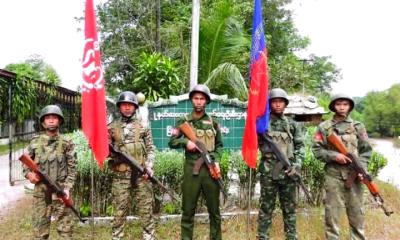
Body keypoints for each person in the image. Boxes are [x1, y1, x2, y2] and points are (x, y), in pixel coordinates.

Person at [313, 94, 372, 240]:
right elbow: (317, 150)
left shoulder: (358, 126)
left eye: (345, 104)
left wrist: (362, 169)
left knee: (357, 215)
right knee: (332, 216)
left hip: (355, 176)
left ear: (350, 106)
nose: (341, 107)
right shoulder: (324, 127)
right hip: (333, 175)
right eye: (338, 104)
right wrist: (334, 156)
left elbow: (366, 150)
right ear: (333, 106)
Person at [168, 84, 223, 240]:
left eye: (202, 99)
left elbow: (219, 146)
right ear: (192, 100)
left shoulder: (214, 122)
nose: (199, 102)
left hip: (210, 168)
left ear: (206, 101)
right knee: (188, 210)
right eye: (196, 98)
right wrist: (186, 143)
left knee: (214, 211)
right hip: (192, 169)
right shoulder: (183, 121)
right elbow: (171, 142)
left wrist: (217, 160)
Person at [257, 88, 304, 240]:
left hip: (288, 172)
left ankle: (291, 236)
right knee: (266, 208)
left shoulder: (292, 124)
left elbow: (299, 147)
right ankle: (263, 236)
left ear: (285, 104)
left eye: (280, 102)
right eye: (274, 102)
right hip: (268, 172)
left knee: (289, 208)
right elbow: (253, 142)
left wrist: (296, 165)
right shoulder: (262, 124)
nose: (278, 105)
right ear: (270, 104)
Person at [108, 91, 156, 240]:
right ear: (119, 107)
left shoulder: (143, 126)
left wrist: (149, 166)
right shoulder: (111, 127)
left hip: (141, 175)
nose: (127, 108)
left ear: (135, 107)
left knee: (145, 208)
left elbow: (151, 149)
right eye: (124, 105)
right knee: (119, 210)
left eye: (130, 105)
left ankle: (148, 236)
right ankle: (117, 236)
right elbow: (105, 150)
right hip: (120, 176)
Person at [24, 105, 76, 239]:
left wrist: (68, 188)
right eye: (48, 118)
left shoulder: (67, 143)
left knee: (65, 232)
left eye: (54, 118)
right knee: (40, 232)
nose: (51, 120)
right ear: (43, 122)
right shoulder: (34, 143)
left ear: (59, 121)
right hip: (41, 193)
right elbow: (25, 163)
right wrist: (29, 174)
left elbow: (73, 168)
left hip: (60, 191)